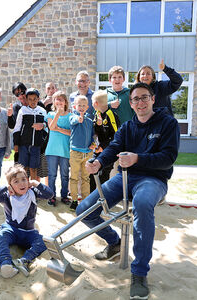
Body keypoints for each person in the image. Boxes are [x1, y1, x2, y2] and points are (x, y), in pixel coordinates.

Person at [77, 82, 180, 300]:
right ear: (130, 103)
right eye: (136, 99)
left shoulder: (168, 123)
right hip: (126, 178)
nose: (140, 102)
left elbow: (168, 158)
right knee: (84, 209)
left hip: (154, 179)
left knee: (142, 205)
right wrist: (98, 162)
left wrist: (138, 158)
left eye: (144, 97)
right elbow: (114, 147)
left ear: (153, 99)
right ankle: (115, 242)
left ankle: (139, 273)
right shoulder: (128, 127)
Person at [0, 164, 53, 278]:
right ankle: (5, 263)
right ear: (11, 185)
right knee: (1, 237)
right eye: (16, 181)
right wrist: (5, 188)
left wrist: (36, 183)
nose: (21, 183)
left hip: (29, 232)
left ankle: (24, 260)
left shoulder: (33, 193)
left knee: (43, 242)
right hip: (11, 229)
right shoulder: (6, 196)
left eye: (24, 179)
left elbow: (49, 194)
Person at [12, 88, 47, 181]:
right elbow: (17, 128)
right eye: (30, 99)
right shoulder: (23, 110)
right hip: (23, 145)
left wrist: (43, 125)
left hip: (36, 145)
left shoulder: (42, 111)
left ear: (38, 99)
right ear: (27, 100)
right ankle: (24, 189)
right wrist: (16, 144)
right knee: (23, 169)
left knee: (34, 168)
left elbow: (47, 127)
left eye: (35, 99)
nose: (33, 101)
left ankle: (33, 190)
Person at [90, 90, 120, 192]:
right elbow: (97, 133)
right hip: (97, 150)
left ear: (96, 103)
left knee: (104, 175)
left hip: (108, 151)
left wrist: (103, 147)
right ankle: (92, 197)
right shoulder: (97, 114)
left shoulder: (111, 115)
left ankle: (103, 200)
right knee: (92, 172)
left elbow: (116, 136)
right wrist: (97, 125)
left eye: (92, 102)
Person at [45, 91, 71, 206]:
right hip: (52, 150)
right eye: (57, 99)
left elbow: (71, 133)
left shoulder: (71, 116)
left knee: (65, 175)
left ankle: (64, 195)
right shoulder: (50, 114)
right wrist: (58, 114)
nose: (59, 101)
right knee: (52, 175)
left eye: (61, 99)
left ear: (65, 102)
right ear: (54, 102)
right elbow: (51, 127)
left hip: (65, 150)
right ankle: (52, 196)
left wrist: (59, 129)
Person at [68, 95, 94, 211]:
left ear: (88, 107)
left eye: (84, 105)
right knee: (74, 177)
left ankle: (85, 200)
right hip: (75, 152)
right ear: (75, 106)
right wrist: (79, 118)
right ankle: (74, 200)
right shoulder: (73, 117)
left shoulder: (90, 119)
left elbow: (92, 134)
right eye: (79, 105)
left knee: (86, 178)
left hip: (87, 153)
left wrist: (93, 143)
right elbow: (74, 121)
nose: (82, 107)